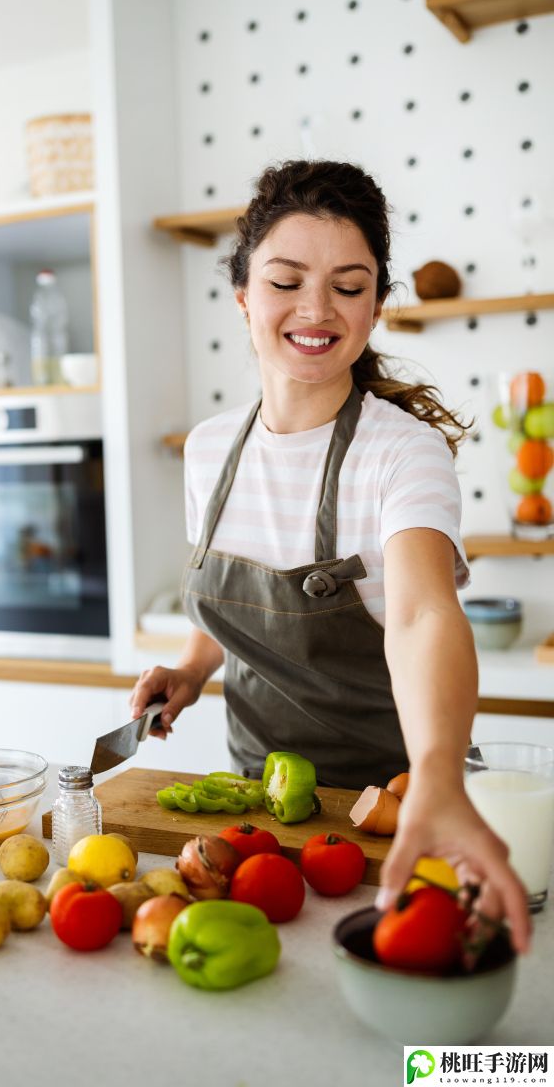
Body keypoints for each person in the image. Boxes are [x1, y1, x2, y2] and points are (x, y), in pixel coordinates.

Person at [130, 159, 530, 952]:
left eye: (349, 287)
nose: (317, 309)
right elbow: (233, 610)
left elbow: (420, 615)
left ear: (376, 306)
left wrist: (441, 780)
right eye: (286, 281)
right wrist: (189, 670)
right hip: (256, 811)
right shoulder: (211, 452)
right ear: (243, 294)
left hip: (393, 810)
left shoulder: (403, 454)